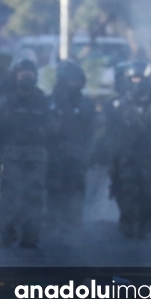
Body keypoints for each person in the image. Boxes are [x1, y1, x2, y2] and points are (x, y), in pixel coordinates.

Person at [0, 57, 55, 248]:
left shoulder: (42, 100)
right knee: (9, 196)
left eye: (30, 74)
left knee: (34, 195)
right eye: (23, 74)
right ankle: (6, 233)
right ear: (15, 76)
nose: (27, 77)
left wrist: (42, 130)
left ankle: (30, 235)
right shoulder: (5, 101)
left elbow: (53, 126)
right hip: (10, 155)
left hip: (36, 154)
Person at [106, 60, 151, 239]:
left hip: (150, 153)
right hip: (125, 152)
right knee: (125, 188)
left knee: (148, 190)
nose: (137, 81)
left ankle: (144, 223)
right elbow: (110, 130)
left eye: (140, 77)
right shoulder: (117, 104)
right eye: (133, 78)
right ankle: (127, 220)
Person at [47, 60, 96, 230]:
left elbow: (92, 131)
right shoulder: (50, 102)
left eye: (77, 81)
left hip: (77, 154)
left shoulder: (86, 104)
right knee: (54, 188)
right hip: (54, 154)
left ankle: (73, 220)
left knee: (75, 189)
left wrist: (88, 153)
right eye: (70, 80)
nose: (74, 84)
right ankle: (53, 220)